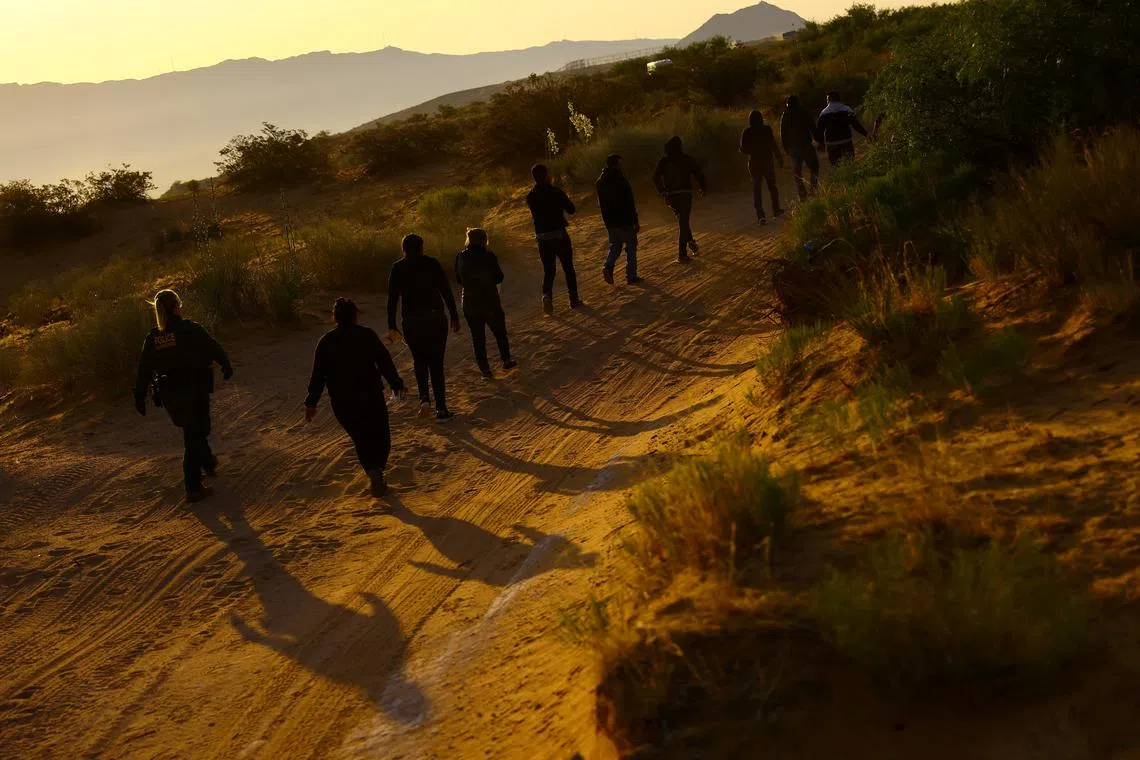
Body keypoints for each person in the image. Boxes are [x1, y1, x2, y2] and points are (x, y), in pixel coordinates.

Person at [133, 289, 233, 503]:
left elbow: (143, 369)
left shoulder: (153, 338)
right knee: (196, 434)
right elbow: (213, 347)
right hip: (194, 389)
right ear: (177, 306)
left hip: (171, 396)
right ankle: (193, 487)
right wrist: (226, 365)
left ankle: (207, 462)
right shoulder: (190, 329)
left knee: (193, 429)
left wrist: (139, 396)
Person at [304, 298, 407, 497]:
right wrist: (396, 384)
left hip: (342, 402)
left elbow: (318, 375)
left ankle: (372, 471)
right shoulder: (366, 335)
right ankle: (377, 469)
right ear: (355, 315)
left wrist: (311, 402)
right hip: (370, 395)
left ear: (334, 317)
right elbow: (384, 361)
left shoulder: (325, 342)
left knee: (361, 438)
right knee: (381, 435)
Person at [387, 233, 460, 423]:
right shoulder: (432, 263)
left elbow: (392, 299)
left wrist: (391, 325)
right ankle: (442, 409)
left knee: (419, 360)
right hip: (435, 317)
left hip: (411, 320)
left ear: (403, 248)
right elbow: (445, 290)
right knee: (436, 363)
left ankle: (424, 400)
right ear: (422, 247)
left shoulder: (398, 267)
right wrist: (454, 315)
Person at [454, 228, 518, 379]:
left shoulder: (460, 257)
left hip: (470, 301)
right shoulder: (488, 256)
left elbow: (458, 280)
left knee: (478, 337)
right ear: (484, 240)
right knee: (499, 332)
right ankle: (506, 359)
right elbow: (499, 277)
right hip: (489, 299)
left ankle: (485, 370)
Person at [525, 164, 581, 315]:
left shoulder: (531, 196)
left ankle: (546, 295)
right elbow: (571, 209)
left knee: (549, 271)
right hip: (559, 234)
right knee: (568, 268)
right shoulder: (556, 191)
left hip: (543, 237)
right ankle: (574, 300)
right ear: (546, 175)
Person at [652, 136, 707, 263]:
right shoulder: (686, 159)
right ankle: (682, 253)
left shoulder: (664, 161)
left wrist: (662, 191)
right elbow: (699, 173)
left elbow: (655, 177)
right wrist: (702, 187)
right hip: (685, 194)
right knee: (683, 221)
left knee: (682, 221)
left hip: (671, 196)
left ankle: (691, 243)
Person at [595, 154, 642, 286]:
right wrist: (635, 220)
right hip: (625, 218)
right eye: (620, 163)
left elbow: (601, 203)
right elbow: (630, 202)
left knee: (616, 245)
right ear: (616, 164)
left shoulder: (600, 181)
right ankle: (631, 276)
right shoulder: (621, 180)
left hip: (610, 220)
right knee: (631, 246)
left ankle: (608, 266)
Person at [739, 110, 785, 224]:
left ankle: (760, 215)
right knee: (772, 187)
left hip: (754, 162)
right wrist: (779, 158)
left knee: (757, 189)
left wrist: (753, 150)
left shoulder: (747, 131)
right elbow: (773, 145)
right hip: (767, 162)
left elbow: (742, 149)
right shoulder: (766, 129)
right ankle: (776, 209)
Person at [781, 95, 822, 201]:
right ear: (798, 102)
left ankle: (802, 192)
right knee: (814, 167)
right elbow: (812, 127)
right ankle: (813, 188)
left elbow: (783, 134)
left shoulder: (785, 114)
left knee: (797, 171)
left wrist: (786, 148)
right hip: (805, 145)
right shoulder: (803, 112)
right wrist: (818, 140)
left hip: (793, 148)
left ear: (788, 103)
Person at [817, 91, 869, 167]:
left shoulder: (824, 113)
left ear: (828, 100)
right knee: (849, 165)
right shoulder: (846, 109)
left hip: (831, 143)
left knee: (835, 166)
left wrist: (820, 143)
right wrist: (866, 134)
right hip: (846, 142)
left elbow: (820, 130)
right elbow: (856, 125)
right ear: (839, 99)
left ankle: (839, 178)